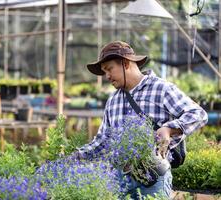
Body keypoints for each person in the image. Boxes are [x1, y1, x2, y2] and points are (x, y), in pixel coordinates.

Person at [73, 41, 208, 198]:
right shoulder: (113, 100)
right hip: (119, 180)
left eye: (109, 69)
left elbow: (198, 114)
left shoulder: (161, 89)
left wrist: (169, 129)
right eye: (104, 72)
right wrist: (77, 156)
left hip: (154, 179)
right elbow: (104, 140)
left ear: (125, 63)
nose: (107, 76)